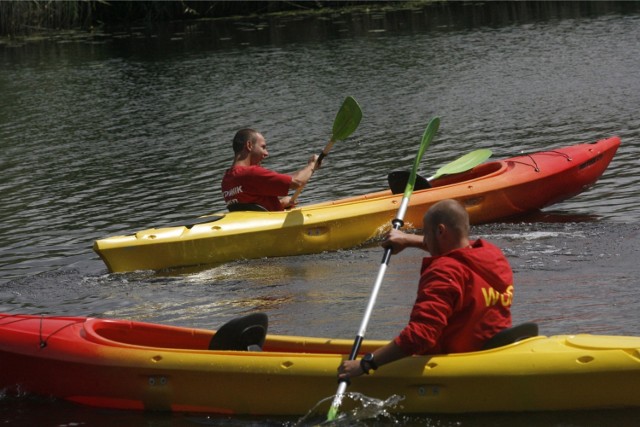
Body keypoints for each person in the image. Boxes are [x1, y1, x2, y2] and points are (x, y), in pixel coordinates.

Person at [338, 199, 514, 379]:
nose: (425, 240)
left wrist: (366, 363)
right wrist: (407, 240)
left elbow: (421, 335)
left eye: (426, 234)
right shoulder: (492, 254)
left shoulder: (444, 272)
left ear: (440, 231)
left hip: (455, 367)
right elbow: (453, 248)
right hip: (494, 349)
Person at [221, 128, 318, 211]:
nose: (266, 153)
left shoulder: (226, 180)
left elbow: (251, 209)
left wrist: (279, 204)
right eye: (263, 147)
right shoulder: (252, 173)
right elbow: (297, 182)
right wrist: (312, 165)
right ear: (249, 145)